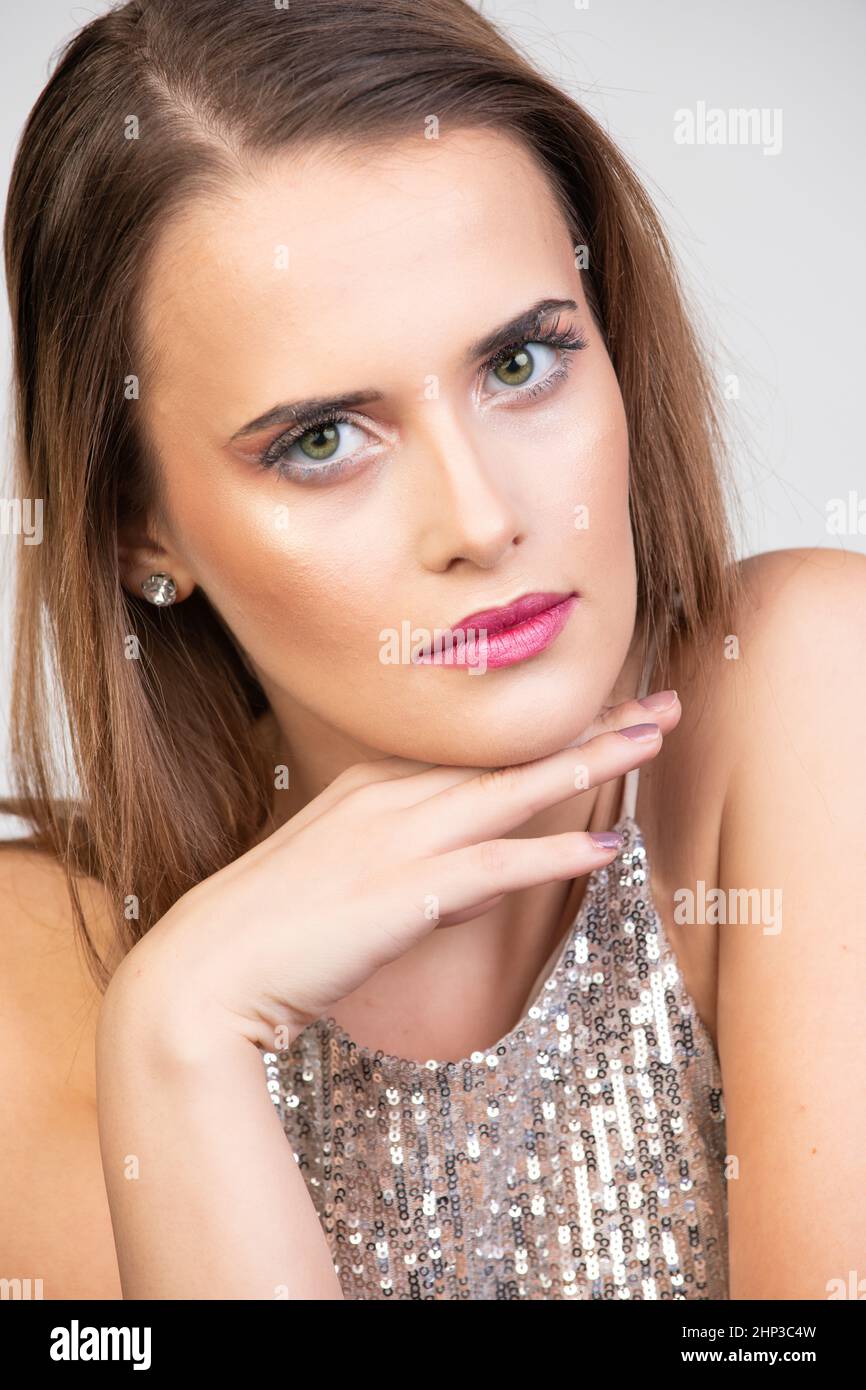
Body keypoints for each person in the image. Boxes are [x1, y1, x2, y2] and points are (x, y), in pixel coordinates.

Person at [0, 0, 863, 1302]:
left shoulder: (804, 686)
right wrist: (182, 1042)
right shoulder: (33, 985)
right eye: (320, 440)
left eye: (521, 360)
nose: (482, 518)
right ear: (139, 530)